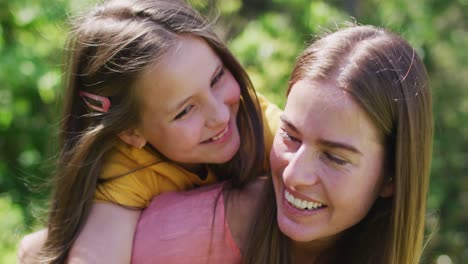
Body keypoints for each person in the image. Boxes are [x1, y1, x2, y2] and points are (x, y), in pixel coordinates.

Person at [130, 24, 433, 263]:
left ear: (391, 176)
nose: (293, 175)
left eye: (334, 157)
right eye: (290, 136)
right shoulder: (183, 235)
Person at [17, 0, 281, 263]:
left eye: (216, 79)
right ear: (132, 133)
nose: (220, 116)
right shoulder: (131, 166)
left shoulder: (256, 123)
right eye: (185, 111)